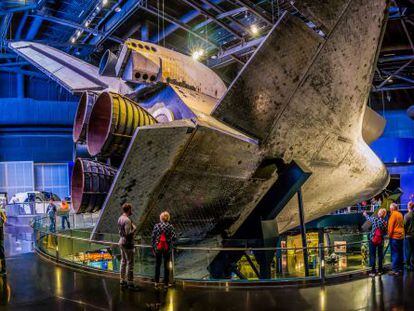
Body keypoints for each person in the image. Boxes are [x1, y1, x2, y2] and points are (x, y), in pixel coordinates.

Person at [152, 211, 176, 289]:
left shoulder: (157, 226)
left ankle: (156, 282)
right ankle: (166, 283)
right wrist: (169, 240)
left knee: (157, 265)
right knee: (166, 266)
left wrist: (153, 246)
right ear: (168, 218)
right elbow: (174, 237)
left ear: (161, 218)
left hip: (158, 248)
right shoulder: (170, 226)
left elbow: (153, 237)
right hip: (167, 248)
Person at [118, 203, 139, 290]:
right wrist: (134, 229)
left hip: (121, 242)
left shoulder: (120, 218)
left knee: (123, 262)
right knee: (130, 264)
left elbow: (121, 232)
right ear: (129, 209)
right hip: (127, 243)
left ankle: (122, 280)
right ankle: (130, 283)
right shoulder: (127, 220)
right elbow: (127, 234)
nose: (132, 211)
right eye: (131, 209)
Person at [363, 208, 387, 277]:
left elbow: (368, 218)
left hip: (373, 240)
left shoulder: (374, 219)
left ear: (379, 214)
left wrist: (365, 214)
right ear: (384, 215)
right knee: (380, 256)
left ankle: (373, 272)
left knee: (372, 256)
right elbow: (385, 232)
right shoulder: (384, 222)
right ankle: (380, 270)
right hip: (380, 241)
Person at [388, 203, 405, 276]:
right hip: (401, 236)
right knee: (400, 253)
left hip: (395, 237)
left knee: (395, 253)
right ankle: (400, 269)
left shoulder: (393, 215)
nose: (389, 209)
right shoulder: (400, 214)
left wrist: (389, 236)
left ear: (392, 208)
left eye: (390, 208)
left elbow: (391, 227)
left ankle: (395, 270)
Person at [404, 202, 414, 271]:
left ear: (408, 207)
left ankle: (407, 264)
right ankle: (412, 263)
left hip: (408, 235)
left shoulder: (406, 215)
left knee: (408, 250)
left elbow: (404, 226)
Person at [0, 203, 6, 275]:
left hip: (0, 235)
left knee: (1, 251)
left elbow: (4, 219)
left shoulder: (0, 210)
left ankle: (3, 269)